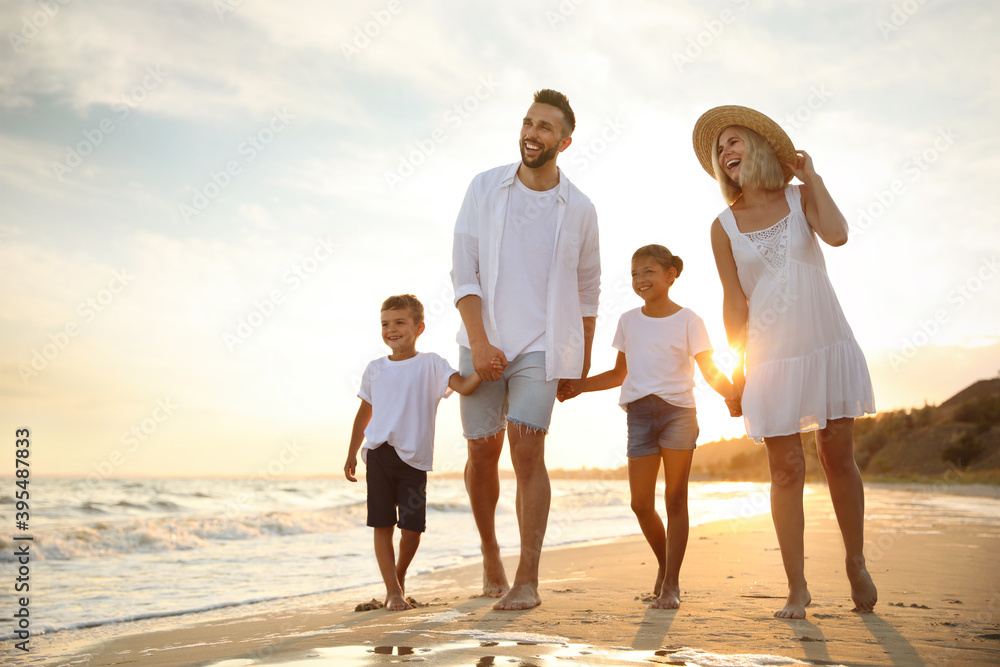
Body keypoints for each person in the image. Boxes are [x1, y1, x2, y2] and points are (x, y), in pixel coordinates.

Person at [693, 105, 878, 618]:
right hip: (770, 358)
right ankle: (797, 587)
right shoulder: (722, 226)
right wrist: (737, 369)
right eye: (720, 147)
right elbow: (734, 300)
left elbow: (838, 234)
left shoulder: (799, 199)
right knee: (786, 469)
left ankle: (856, 560)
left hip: (826, 344)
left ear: (758, 146)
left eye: (735, 141)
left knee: (837, 455)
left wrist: (812, 178)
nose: (727, 151)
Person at [450, 88, 601, 610]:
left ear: (565, 140)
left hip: (543, 344)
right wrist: (480, 342)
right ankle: (490, 551)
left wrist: (578, 360)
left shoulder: (579, 208)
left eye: (544, 127)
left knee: (527, 448)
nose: (531, 134)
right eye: (528, 123)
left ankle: (527, 578)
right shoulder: (484, 187)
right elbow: (463, 269)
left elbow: (588, 286)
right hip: (482, 338)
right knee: (481, 451)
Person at [558, 244, 739, 609]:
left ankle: (671, 584)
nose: (640, 280)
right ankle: (664, 564)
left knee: (675, 498)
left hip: (678, 413)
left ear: (671, 275)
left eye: (649, 272)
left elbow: (709, 369)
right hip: (639, 414)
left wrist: (733, 395)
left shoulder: (689, 320)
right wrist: (580, 385)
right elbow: (618, 373)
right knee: (640, 503)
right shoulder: (628, 321)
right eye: (635, 273)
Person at [344, 294, 495, 611]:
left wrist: (483, 369)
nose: (391, 329)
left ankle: (396, 582)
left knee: (412, 529)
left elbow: (465, 386)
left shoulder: (432, 364)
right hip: (379, 455)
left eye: (399, 322)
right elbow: (364, 414)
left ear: (419, 327)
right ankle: (394, 591)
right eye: (385, 324)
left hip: (415, 460)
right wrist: (351, 453)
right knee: (382, 525)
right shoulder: (374, 369)